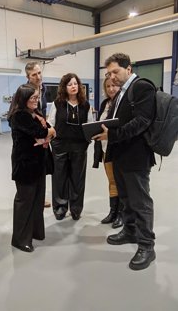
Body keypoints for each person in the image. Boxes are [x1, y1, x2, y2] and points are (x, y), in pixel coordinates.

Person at [93, 53, 156, 271]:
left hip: (136, 157)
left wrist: (112, 134)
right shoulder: (121, 92)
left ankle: (147, 245)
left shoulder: (141, 87)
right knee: (127, 199)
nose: (112, 76)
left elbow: (143, 121)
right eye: (108, 73)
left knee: (140, 202)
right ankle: (130, 231)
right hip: (120, 155)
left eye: (115, 71)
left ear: (128, 68)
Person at [9, 84, 56, 253]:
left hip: (39, 163)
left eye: (37, 97)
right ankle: (20, 239)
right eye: (32, 98)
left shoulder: (35, 114)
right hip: (25, 164)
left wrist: (47, 132)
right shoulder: (19, 115)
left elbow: (48, 131)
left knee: (37, 200)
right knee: (25, 202)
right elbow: (42, 131)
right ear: (23, 99)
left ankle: (35, 232)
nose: (36, 101)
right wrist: (47, 132)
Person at [48, 73, 93, 221]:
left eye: (75, 84)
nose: (73, 86)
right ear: (64, 87)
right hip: (60, 146)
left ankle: (76, 209)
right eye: (69, 84)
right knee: (59, 178)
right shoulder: (57, 103)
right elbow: (51, 124)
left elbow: (90, 126)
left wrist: (87, 141)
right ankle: (60, 208)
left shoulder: (86, 105)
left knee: (77, 179)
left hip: (79, 147)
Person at [8, 61, 51, 208]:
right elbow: (13, 118)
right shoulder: (21, 93)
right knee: (27, 184)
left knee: (40, 172)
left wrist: (45, 131)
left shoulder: (43, 91)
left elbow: (42, 113)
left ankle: (39, 197)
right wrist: (32, 123)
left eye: (39, 73)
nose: (38, 77)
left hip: (41, 137)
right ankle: (30, 197)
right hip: (28, 139)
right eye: (34, 74)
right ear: (28, 76)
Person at [92, 75, 123, 229]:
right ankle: (113, 212)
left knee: (120, 182)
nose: (111, 89)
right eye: (108, 86)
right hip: (105, 149)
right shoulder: (105, 103)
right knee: (112, 181)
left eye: (114, 86)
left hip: (117, 149)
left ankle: (121, 214)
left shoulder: (122, 103)